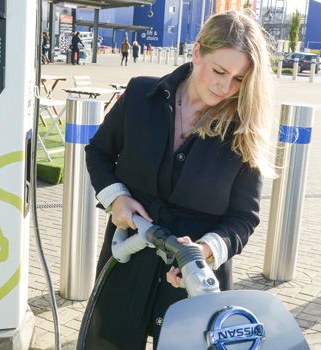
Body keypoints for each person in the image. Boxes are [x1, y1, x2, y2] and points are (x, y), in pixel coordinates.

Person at [82, 10, 276, 349]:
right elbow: (98, 152)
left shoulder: (244, 128)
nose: (225, 87)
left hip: (192, 278)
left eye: (239, 79)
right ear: (197, 51)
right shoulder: (141, 96)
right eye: (219, 71)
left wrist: (205, 252)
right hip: (127, 257)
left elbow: (244, 218)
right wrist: (116, 197)